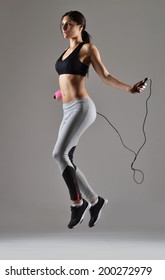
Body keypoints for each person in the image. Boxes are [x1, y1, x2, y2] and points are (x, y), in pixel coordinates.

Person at [52, 11, 146, 229]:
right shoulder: (65, 52)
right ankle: (95, 201)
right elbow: (69, 79)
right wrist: (59, 93)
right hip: (67, 109)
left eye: (69, 24)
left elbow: (105, 76)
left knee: (59, 153)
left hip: (82, 108)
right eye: (62, 25)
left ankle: (77, 204)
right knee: (67, 160)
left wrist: (130, 88)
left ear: (80, 26)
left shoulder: (87, 49)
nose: (64, 28)